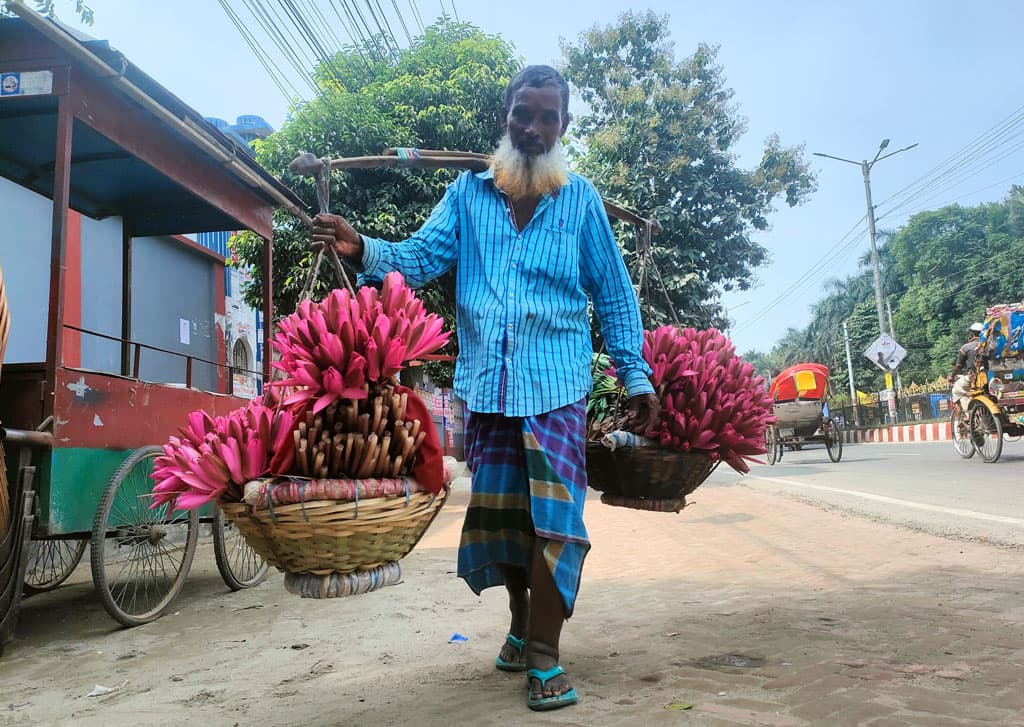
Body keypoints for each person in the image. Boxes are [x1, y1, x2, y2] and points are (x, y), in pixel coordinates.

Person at [311, 65, 659, 711]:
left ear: (563, 125)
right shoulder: (467, 195)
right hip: (487, 388)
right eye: (522, 113)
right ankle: (522, 625)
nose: (532, 127)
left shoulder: (580, 201)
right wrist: (361, 247)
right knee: (505, 523)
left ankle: (545, 657)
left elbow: (613, 294)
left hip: (556, 384)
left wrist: (634, 371)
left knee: (556, 521)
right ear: (505, 115)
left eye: (546, 116)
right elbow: (417, 259)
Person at [949, 322, 984, 415]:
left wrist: (951, 376)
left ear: (972, 333)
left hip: (973, 378)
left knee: (956, 391)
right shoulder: (991, 344)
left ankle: (968, 415)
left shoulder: (966, 347)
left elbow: (958, 366)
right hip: (990, 376)